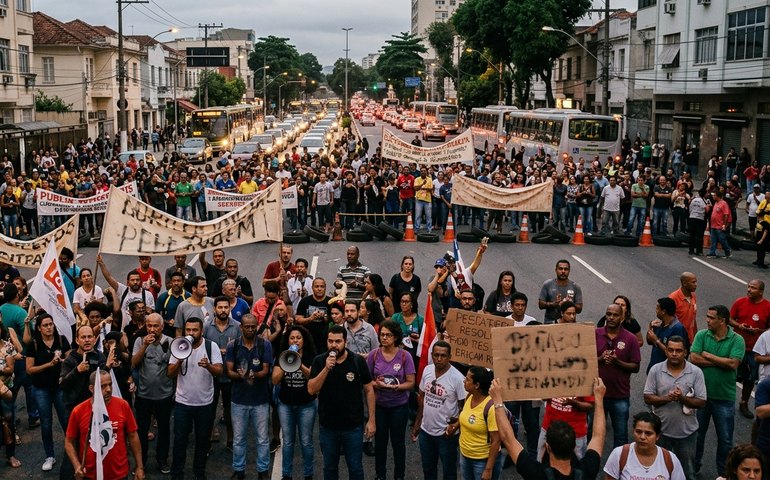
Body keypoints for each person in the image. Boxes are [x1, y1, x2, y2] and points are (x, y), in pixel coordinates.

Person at [491, 376, 607, 480]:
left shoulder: (535, 474)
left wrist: (497, 401)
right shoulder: (587, 471)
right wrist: (599, 398)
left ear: (547, 447)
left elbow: (508, 439)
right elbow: (598, 437)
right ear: (573, 448)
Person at [308, 325, 376, 480]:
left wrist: (371, 420)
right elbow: (311, 389)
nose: (333, 345)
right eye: (330, 341)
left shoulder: (357, 361)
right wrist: (326, 369)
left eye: (338, 341)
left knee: (356, 469)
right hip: (328, 427)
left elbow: (369, 390)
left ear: (345, 342)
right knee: (330, 468)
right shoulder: (319, 361)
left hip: (353, 427)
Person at [691, 305, 745, 478]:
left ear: (722, 320)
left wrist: (708, 355)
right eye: (707, 316)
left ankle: (724, 473)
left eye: (711, 317)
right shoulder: (702, 335)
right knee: (697, 436)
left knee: (725, 439)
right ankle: (694, 468)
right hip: (701, 397)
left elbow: (733, 364)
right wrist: (721, 362)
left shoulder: (737, 340)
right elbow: (694, 358)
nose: (707, 320)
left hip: (724, 398)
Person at [643, 335, 706, 480]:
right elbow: (647, 397)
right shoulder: (656, 370)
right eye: (670, 350)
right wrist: (668, 398)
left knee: (688, 473)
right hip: (660, 433)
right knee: (657, 473)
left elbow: (702, 402)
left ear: (685, 352)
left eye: (678, 350)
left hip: (687, 435)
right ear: (666, 351)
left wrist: (682, 398)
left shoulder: (696, 372)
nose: (674, 353)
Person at [168, 317, 223, 480]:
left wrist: (209, 366)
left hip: (204, 403)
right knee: (179, 440)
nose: (191, 333)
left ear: (202, 331)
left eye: (195, 330)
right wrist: (179, 359)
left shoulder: (210, 346)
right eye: (188, 330)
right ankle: (177, 473)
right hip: (182, 403)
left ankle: (199, 472)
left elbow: (219, 372)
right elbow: (170, 373)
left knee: (202, 440)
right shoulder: (179, 346)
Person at [64, 370, 145, 480]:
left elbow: (133, 436)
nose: (108, 389)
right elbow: (69, 441)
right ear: (91, 389)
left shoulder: (123, 405)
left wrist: (139, 467)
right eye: (103, 386)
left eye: (110, 385)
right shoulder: (78, 411)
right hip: (90, 474)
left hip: (119, 473)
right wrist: (77, 465)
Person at [224, 314, 272, 480]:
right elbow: (228, 370)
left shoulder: (265, 344)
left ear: (257, 326)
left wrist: (254, 375)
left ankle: (263, 470)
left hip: (260, 400)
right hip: (239, 400)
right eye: (247, 326)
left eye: (253, 326)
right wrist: (241, 376)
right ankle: (239, 470)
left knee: (262, 439)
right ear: (241, 327)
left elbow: (266, 370)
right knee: (238, 439)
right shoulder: (233, 345)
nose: (251, 329)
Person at [367, 320, 415, 480]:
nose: (384, 338)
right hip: (380, 406)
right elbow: (367, 382)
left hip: (399, 407)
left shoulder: (404, 356)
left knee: (398, 444)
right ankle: (380, 475)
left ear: (395, 337)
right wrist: (377, 384)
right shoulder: (373, 355)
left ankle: (399, 476)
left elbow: (411, 383)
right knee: (380, 444)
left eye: (388, 335)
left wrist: (394, 387)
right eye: (382, 334)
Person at [412, 340, 466, 480]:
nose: (439, 359)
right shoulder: (427, 370)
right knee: (428, 470)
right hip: (426, 432)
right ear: (432, 355)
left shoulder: (458, 379)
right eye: (436, 355)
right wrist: (418, 423)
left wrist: (456, 426)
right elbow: (422, 397)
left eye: (443, 356)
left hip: (446, 435)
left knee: (449, 472)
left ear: (450, 357)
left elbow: (464, 407)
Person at [24, 313, 71, 472]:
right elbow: (29, 370)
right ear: (39, 328)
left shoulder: (61, 340)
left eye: (51, 324)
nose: (49, 327)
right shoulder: (34, 344)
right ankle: (49, 456)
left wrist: (64, 361)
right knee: (46, 423)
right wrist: (49, 364)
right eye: (45, 325)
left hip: (59, 387)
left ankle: (72, 451)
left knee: (66, 420)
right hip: (41, 389)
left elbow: (70, 360)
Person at [271, 325, 317, 480]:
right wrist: (288, 360)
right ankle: (286, 475)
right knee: (288, 442)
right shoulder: (282, 355)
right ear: (288, 340)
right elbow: (275, 379)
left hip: (307, 405)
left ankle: (308, 474)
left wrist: (298, 362)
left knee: (306, 442)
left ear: (304, 340)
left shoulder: (311, 355)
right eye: (292, 338)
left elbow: (312, 378)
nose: (295, 340)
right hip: (286, 404)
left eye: (298, 338)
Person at [130, 313, 174, 475]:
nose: (152, 329)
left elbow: (173, 368)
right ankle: (141, 462)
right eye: (149, 326)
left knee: (164, 429)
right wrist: (144, 346)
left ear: (162, 327)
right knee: (141, 430)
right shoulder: (139, 341)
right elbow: (134, 364)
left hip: (164, 395)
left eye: (156, 326)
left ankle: (162, 460)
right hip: (144, 395)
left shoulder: (170, 342)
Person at [595, 303, 641, 448]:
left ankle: (619, 467)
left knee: (620, 435)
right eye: (609, 314)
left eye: (615, 315)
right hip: (596, 394)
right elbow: (585, 361)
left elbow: (635, 367)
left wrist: (617, 362)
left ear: (622, 318)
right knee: (591, 431)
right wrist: (600, 360)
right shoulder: (595, 334)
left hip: (619, 395)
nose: (611, 318)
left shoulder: (631, 339)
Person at [204, 296, 242, 449]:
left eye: (226, 307)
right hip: (211, 376)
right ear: (214, 309)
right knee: (209, 410)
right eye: (220, 307)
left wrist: (231, 352)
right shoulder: (206, 327)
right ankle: (207, 440)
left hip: (230, 376)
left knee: (230, 409)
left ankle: (231, 441)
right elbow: (202, 348)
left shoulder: (238, 327)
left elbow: (242, 348)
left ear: (230, 309)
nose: (223, 310)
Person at [729, 280, 770, 419]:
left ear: (761, 291)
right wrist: (740, 326)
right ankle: (727, 402)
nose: (749, 290)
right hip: (737, 348)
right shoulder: (740, 302)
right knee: (731, 374)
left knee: (750, 379)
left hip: (755, 350)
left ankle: (744, 403)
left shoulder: (767, 306)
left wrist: (760, 331)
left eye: (753, 288)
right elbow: (729, 319)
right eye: (749, 287)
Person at [603, 411, 686, 480]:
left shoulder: (670, 459)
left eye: (648, 433)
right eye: (638, 432)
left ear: (657, 436)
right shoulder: (619, 454)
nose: (642, 437)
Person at [458, 366, 503, 480]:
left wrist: (488, 470)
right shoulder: (469, 396)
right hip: (465, 456)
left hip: (482, 461)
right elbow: (466, 417)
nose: (464, 381)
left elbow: (496, 441)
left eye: (468, 379)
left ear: (477, 385)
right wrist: (455, 426)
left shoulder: (491, 408)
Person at [646, 297, 689, 372]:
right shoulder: (659, 324)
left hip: (668, 372)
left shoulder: (678, 329)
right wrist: (650, 328)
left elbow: (674, 353)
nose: (656, 311)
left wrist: (656, 340)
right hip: (654, 370)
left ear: (663, 311)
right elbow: (649, 341)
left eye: (657, 308)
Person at [538, 259, 583, 324]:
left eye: (566, 269)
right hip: (550, 323)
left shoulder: (575, 287)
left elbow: (579, 309)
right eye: (560, 269)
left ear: (569, 271)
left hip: (570, 324)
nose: (563, 271)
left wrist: (569, 304)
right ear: (556, 270)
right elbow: (540, 305)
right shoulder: (547, 284)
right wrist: (553, 303)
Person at [294, 277, 332, 355]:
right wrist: (310, 318)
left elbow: (336, 320)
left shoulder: (330, 302)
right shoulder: (305, 301)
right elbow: (298, 319)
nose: (319, 289)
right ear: (312, 288)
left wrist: (324, 317)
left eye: (322, 286)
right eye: (317, 286)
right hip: (307, 339)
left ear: (325, 288)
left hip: (325, 340)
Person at [669, 272, 698, 343]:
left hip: (690, 339)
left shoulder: (693, 296)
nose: (696, 285)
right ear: (684, 283)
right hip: (677, 340)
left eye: (696, 282)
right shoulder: (673, 298)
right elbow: (668, 320)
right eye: (693, 282)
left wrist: (696, 335)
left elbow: (693, 318)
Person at [707, 190, 732, 258]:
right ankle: (712, 253)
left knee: (722, 239)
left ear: (718, 196)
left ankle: (728, 251)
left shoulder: (724, 203)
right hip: (713, 225)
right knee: (713, 240)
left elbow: (726, 214)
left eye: (714, 195)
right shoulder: (715, 203)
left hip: (719, 225)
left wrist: (724, 224)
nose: (713, 197)